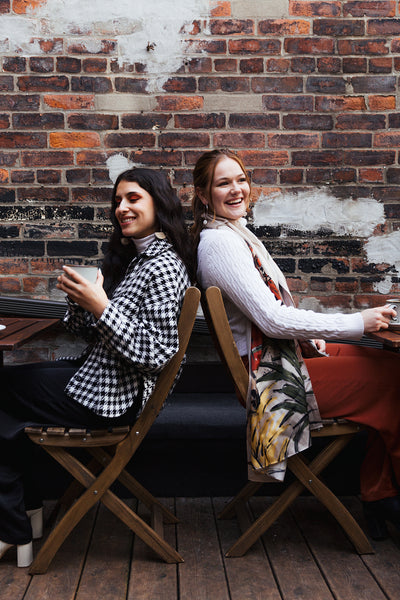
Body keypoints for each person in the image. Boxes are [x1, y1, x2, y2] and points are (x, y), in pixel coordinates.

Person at [192, 148, 400, 541]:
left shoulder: (234, 234)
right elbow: (271, 319)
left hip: (279, 359)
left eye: (241, 179)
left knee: (385, 364)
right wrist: (355, 322)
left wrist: (321, 334)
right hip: (268, 381)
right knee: (392, 381)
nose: (237, 190)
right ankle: (383, 496)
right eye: (223, 183)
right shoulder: (219, 244)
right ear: (203, 195)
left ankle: (381, 495)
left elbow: (272, 314)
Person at [0, 168, 192, 567]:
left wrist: (102, 306)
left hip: (113, 399)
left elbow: (155, 354)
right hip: (100, 382)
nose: (121, 208)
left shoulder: (163, 265)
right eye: (117, 201)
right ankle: (22, 515)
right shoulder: (138, 259)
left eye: (133, 199)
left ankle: (14, 524)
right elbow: (99, 336)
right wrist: (83, 303)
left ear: (160, 202)